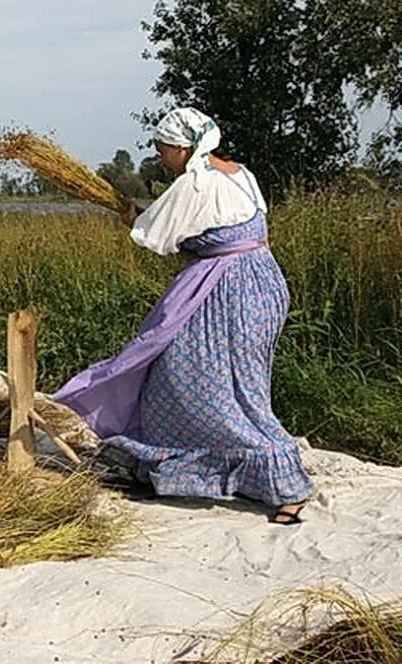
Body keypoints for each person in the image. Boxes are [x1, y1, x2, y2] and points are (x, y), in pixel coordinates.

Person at [53, 108, 314, 525]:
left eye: (163, 150)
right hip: (262, 283)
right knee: (228, 383)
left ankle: (285, 481)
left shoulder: (197, 183)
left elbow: (154, 235)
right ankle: (198, 470)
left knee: (204, 382)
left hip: (227, 292)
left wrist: (130, 217)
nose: (160, 158)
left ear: (182, 147)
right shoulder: (238, 173)